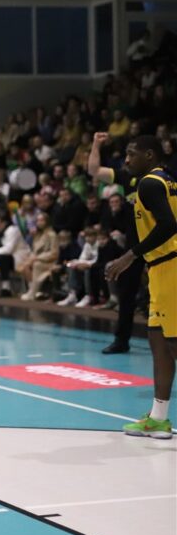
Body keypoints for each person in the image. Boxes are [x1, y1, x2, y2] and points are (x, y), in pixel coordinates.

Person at [106, 135, 177, 439]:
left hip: (171, 267)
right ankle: (158, 418)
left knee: (173, 343)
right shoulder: (165, 180)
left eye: (131, 154)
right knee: (158, 342)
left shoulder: (150, 183)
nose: (126, 159)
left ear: (149, 155)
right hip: (161, 268)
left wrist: (129, 256)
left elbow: (169, 224)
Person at [88, 131, 143, 354]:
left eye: (132, 155)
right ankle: (122, 340)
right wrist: (96, 145)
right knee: (126, 294)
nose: (127, 160)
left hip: (162, 245)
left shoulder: (162, 180)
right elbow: (94, 170)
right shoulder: (127, 177)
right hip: (134, 248)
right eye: (126, 155)